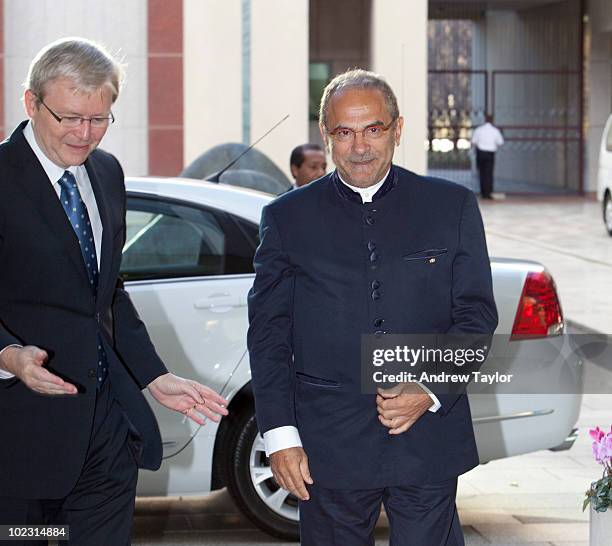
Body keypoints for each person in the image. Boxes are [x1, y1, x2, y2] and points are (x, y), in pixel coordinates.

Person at [247, 69, 498, 545]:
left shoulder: (452, 207)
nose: (359, 145)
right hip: (326, 446)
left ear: (397, 130)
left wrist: (428, 387)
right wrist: (280, 434)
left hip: (427, 439)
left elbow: (476, 318)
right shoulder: (285, 219)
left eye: (373, 129)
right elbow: (268, 335)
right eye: (344, 132)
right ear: (326, 137)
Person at [0, 38, 228, 545]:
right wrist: (8, 354)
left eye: (99, 119)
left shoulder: (106, 173)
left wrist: (151, 376)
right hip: (18, 439)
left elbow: (105, 293)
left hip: (105, 429)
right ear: (31, 103)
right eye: (70, 118)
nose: (85, 135)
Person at [471, 114, 504, 199]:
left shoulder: (479, 130)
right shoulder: (495, 131)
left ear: (484, 120)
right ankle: (488, 192)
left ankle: (483, 192)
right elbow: (500, 142)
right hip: (490, 153)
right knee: (489, 173)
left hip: (481, 152)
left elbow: (474, 141)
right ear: (492, 120)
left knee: (481, 173)